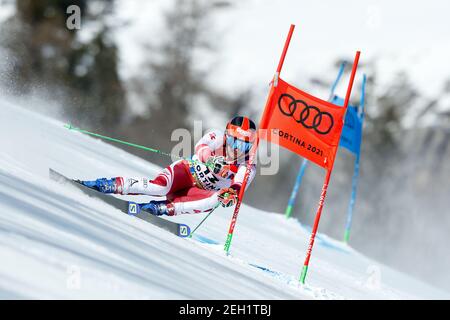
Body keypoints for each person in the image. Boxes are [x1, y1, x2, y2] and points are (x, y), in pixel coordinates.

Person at [81, 116, 257, 216]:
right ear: (227, 136)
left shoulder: (248, 165)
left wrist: (230, 195)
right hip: (187, 172)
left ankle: (160, 208)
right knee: (159, 187)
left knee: (213, 201)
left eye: (244, 145)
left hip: (197, 192)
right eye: (234, 141)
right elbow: (201, 147)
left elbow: (238, 185)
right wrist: (211, 160)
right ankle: (110, 184)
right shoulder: (216, 136)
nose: (236, 149)